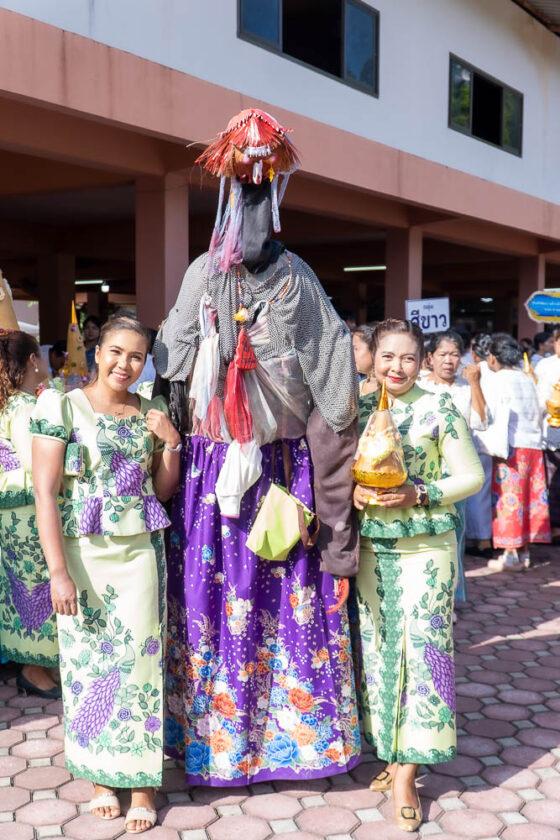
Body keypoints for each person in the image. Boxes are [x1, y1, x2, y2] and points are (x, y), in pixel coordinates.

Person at [153, 108, 361, 786]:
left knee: (285, 597)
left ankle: (290, 744)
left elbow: (335, 393)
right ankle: (213, 746)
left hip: (280, 470)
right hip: (208, 475)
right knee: (208, 606)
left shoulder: (298, 280)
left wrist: (338, 528)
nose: (250, 186)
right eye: (241, 177)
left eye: (260, 177)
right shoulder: (201, 276)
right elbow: (170, 373)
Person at [31, 314, 181, 834]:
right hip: (81, 556)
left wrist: (170, 442)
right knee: (88, 666)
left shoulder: (152, 409)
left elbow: (163, 490)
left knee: (140, 663)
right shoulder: (62, 405)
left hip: (140, 552)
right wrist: (57, 572)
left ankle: (142, 784)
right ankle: (100, 777)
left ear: (145, 364)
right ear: (97, 352)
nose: (125, 364)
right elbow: (44, 493)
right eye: (116, 351)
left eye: (136, 356)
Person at [353, 318, 483, 832]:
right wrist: (353, 490)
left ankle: (409, 772)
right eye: (388, 356)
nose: (397, 367)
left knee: (426, 652)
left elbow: (471, 476)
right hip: (372, 548)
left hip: (427, 546)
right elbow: (335, 469)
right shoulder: (358, 407)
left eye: (408, 358)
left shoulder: (439, 407)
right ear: (373, 357)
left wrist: (420, 492)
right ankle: (390, 751)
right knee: (380, 652)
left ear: (422, 361)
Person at [0, 330, 60, 697]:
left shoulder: (7, 403)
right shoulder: (23, 407)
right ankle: (34, 669)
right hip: (28, 510)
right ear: (33, 360)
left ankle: (33, 665)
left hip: (12, 511)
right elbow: (33, 463)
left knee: (20, 589)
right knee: (37, 587)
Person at [422, 330, 486, 604]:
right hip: (423, 474)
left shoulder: (464, 388)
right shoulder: (420, 385)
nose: (449, 360)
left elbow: (482, 422)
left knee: (454, 537)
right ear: (430, 357)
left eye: (455, 355)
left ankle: (450, 600)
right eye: (443, 354)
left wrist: (475, 384)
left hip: (455, 476)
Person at [486, 333, 550, 571]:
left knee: (509, 499)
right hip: (533, 446)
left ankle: (510, 554)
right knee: (528, 500)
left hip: (511, 447)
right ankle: (525, 552)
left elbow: (490, 414)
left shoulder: (498, 379)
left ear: (494, 358)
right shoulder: (526, 377)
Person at [465, 333, 496, 559]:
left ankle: (480, 539)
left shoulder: (471, 371)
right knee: (483, 492)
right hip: (490, 439)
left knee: (475, 493)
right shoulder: (498, 371)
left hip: (477, 435)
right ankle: (484, 539)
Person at [535, 328, 560, 539]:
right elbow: (538, 401)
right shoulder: (545, 366)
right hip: (551, 433)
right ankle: (554, 528)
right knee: (552, 483)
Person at [352, 325, 375, 391]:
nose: (352, 353)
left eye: (356, 349)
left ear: (373, 350)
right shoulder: (358, 387)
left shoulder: (389, 389)